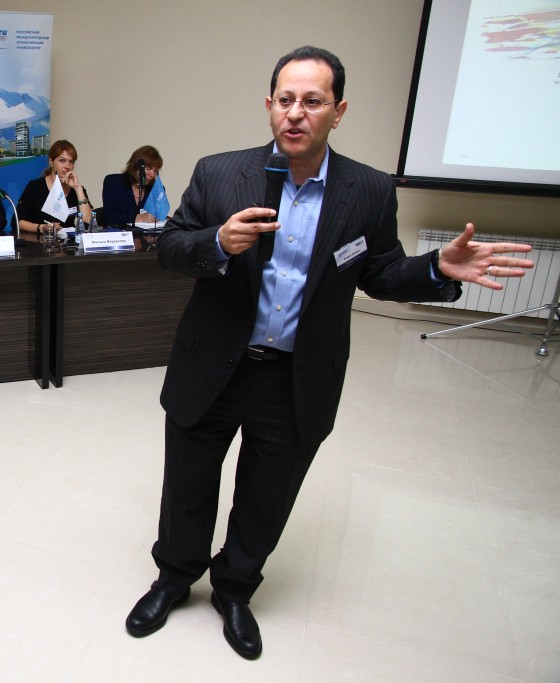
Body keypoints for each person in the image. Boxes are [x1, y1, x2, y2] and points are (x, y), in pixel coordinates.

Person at [125, 46, 533, 660]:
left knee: (268, 495)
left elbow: (381, 272)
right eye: (285, 100)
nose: (296, 113)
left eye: (312, 101)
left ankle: (234, 589)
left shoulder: (368, 190)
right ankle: (175, 578)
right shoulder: (219, 173)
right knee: (187, 484)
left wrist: (435, 269)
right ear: (269, 106)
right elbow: (170, 248)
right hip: (211, 362)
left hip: (297, 375)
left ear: (337, 112)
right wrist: (218, 241)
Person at [16, 140, 92, 234]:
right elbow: (17, 221)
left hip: (68, 241)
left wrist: (78, 188)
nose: (67, 166)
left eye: (71, 162)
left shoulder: (76, 190)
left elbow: (89, 222)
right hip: (40, 239)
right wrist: (42, 227)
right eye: (62, 161)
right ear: (51, 161)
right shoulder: (35, 186)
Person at [101, 146, 164, 226]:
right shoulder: (113, 182)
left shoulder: (155, 189)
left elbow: (158, 215)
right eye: (148, 169)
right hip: (118, 232)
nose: (152, 175)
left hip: (147, 233)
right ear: (135, 166)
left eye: (155, 171)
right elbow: (110, 216)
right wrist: (138, 218)